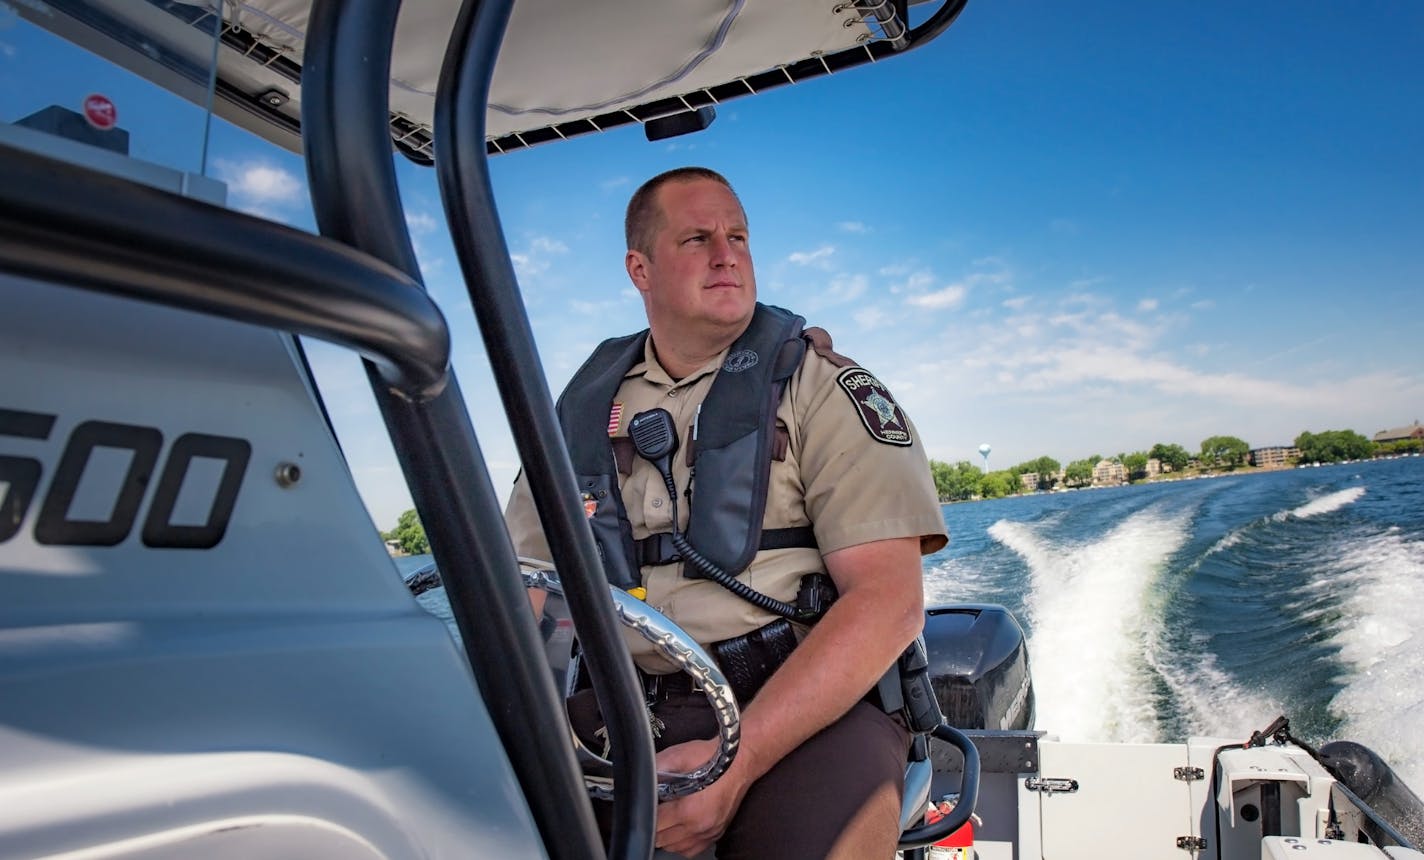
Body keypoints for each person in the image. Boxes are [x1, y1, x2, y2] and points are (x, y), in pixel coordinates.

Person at [504, 166, 947, 859]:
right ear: (640, 269)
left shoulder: (820, 388)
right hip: (631, 706)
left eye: (738, 235)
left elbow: (888, 601)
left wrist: (735, 766)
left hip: (808, 712)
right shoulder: (581, 413)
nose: (727, 253)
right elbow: (528, 591)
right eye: (698, 238)